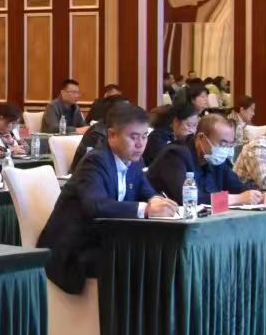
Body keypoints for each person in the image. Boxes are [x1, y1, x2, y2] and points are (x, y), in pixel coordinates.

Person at [38, 103, 179, 294]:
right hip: (72, 250)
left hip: (106, 241)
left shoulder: (134, 160)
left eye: (145, 136)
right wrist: (146, 209)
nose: (140, 144)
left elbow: (146, 190)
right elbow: (95, 206)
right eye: (133, 137)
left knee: (159, 256)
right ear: (112, 135)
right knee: (138, 260)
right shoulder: (95, 161)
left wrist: (154, 199)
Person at [147, 111, 266, 207]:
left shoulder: (217, 160)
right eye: (222, 143)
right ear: (201, 138)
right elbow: (190, 200)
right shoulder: (175, 155)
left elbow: (238, 187)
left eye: (229, 145)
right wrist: (237, 199)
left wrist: (261, 196)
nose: (225, 149)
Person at [144, 99, 199, 167]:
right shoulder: (158, 137)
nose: (192, 130)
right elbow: (167, 163)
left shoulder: (190, 140)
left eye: (195, 126)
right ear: (176, 122)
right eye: (189, 125)